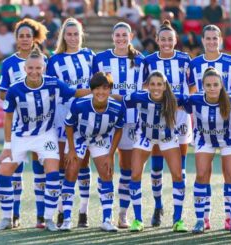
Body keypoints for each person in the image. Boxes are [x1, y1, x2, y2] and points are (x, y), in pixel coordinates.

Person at [0, 47, 91, 231]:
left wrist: (99, 91)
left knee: (53, 173)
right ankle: (6, 218)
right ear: (25, 68)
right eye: (30, 68)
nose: (34, 71)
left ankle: (48, 219)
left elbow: (75, 92)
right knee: (3, 171)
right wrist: (7, 147)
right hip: (20, 136)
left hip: (45, 135)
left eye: (38, 68)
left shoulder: (53, 83)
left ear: (44, 68)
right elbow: (8, 118)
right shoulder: (15, 89)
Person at [189, 24, 231, 231]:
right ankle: (202, 219)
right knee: (202, 174)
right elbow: (191, 94)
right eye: (208, 38)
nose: (211, 41)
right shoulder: (194, 64)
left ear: (220, 40)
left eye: (215, 38)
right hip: (204, 131)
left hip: (229, 129)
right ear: (202, 41)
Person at [47, 17, 98, 228]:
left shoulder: (89, 56)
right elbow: (52, 90)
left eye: (76, 34)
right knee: (62, 163)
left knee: (83, 163)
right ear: (63, 36)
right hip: (62, 115)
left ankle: (83, 212)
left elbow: (99, 83)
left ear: (81, 35)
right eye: (69, 34)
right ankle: (61, 210)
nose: (73, 38)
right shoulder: (55, 60)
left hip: (87, 115)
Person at [120, 70, 187, 232]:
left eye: (159, 84)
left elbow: (198, 102)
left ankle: (177, 220)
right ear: (147, 86)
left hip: (168, 138)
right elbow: (120, 101)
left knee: (178, 175)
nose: (156, 87)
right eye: (152, 84)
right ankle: (138, 220)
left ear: (165, 86)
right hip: (145, 137)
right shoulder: (138, 97)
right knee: (135, 174)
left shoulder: (176, 98)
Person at [178, 67, 231, 234]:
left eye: (215, 84)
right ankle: (202, 219)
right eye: (208, 85)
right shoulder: (194, 99)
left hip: (228, 140)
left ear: (221, 85)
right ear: (202, 86)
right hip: (204, 139)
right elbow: (171, 99)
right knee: (201, 175)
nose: (212, 88)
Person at [0, 18, 48, 229]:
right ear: (16, 39)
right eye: (21, 36)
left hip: (42, 127)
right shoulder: (9, 63)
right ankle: (13, 216)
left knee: (40, 171)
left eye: (28, 35)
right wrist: (19, 94)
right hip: (19, 126)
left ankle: (40, 217)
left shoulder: (45, 59)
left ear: (34, 38)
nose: (25, 39)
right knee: (14, 171)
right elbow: (2, 93)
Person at [144, 19, 194, 227]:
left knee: (179, 166)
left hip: (180, 117)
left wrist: (181, 104)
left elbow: (191, 88)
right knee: (156, 165)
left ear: (175, 41)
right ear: (157, 40)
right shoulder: (148, 61)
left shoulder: (185, 59)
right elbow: (145, 88)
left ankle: (177, 212)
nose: (166, 43)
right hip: (157, 116)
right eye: (162, 39)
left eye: (169, 40)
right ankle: (157, 206)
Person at [95, 21, 145, 229]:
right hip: (108, 120)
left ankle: (123, 214)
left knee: (127, 168)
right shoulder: (101, 59)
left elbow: (143, 90)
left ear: (130, 36)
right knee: (107, 168)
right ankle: (104, 214)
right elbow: (96, 91)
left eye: (125, 35)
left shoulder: (140, 60)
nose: (121, 39)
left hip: (132, 121)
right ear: (113, 37)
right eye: (118, 35)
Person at [61, 72, 124, 231]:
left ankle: (107, 220)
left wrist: (111, 154)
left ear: (110, 89)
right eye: (96, 88)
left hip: (100, 138)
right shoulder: (79, 103)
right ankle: (67, 219)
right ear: (91, 90)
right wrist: (72, 149)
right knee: (71, 172)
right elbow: (68, 125)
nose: (100, 92)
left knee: (107, 174)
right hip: (79, 137)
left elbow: (118, 130)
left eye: (105, 88)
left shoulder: (117, 107)